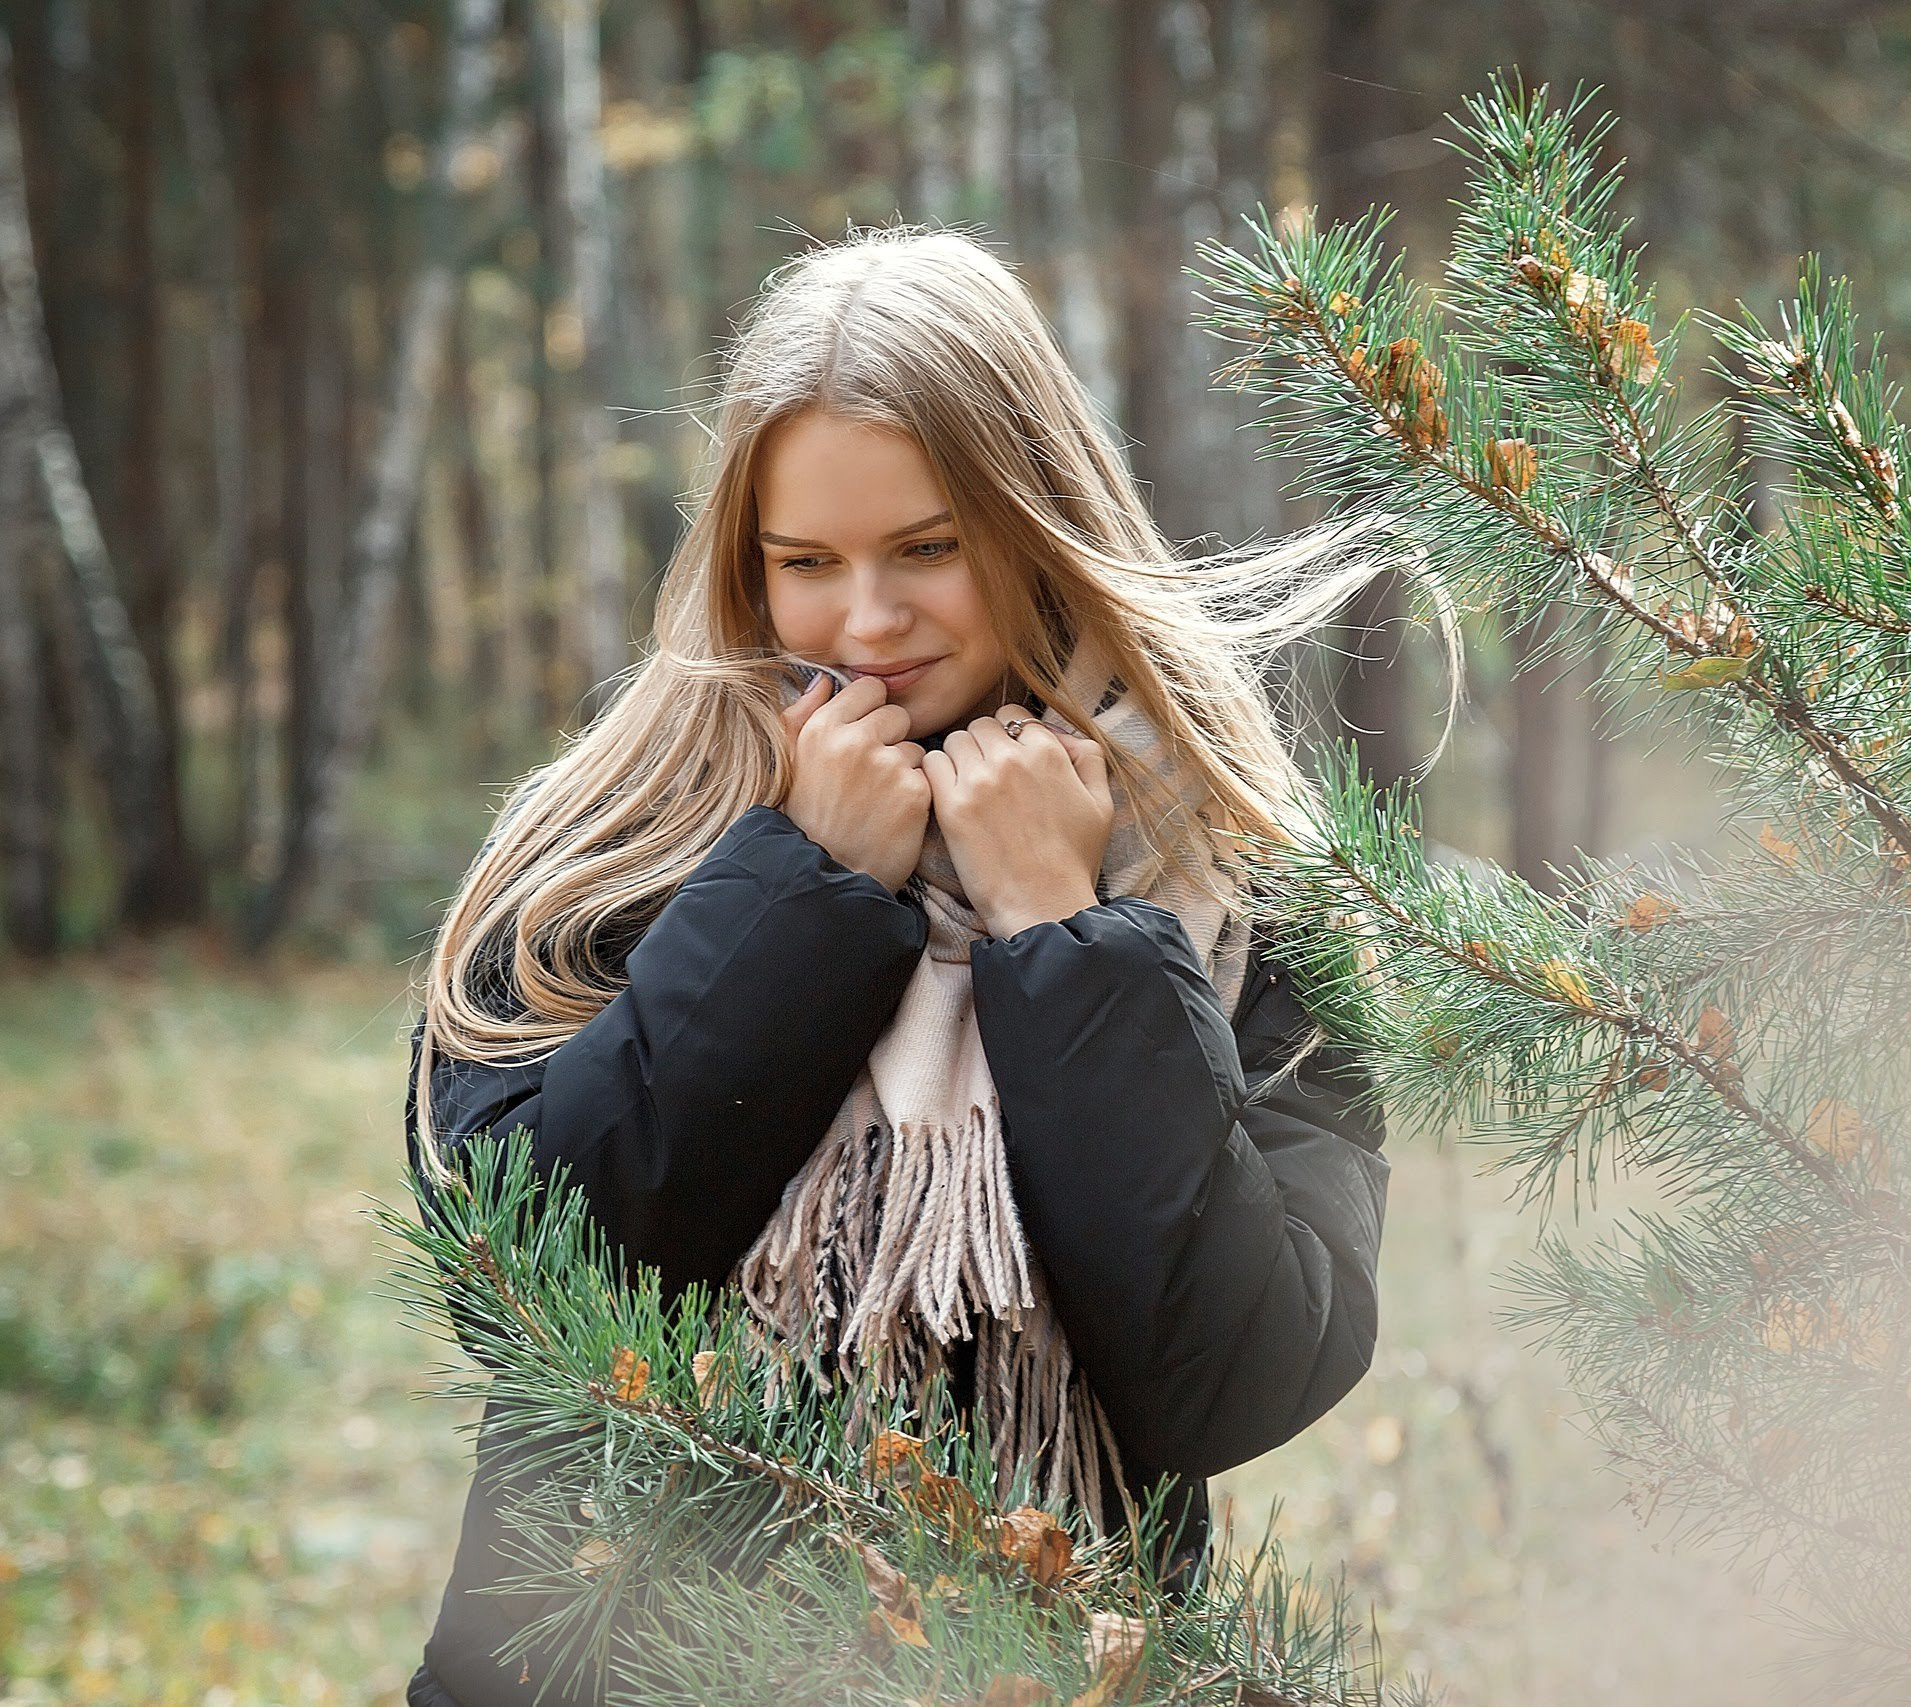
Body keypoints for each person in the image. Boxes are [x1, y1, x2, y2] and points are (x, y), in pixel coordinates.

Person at [401, 228, 1391, 1707]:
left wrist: (1062, 932)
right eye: (806, 564)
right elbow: (517, 1280)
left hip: (1047, 1672)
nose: (866, 621)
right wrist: (799, 896)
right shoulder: (606, 847)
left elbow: (1240, 1377)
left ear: (1039, 521)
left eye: (929, 549)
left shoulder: (1238, 876)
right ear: (743, 562)